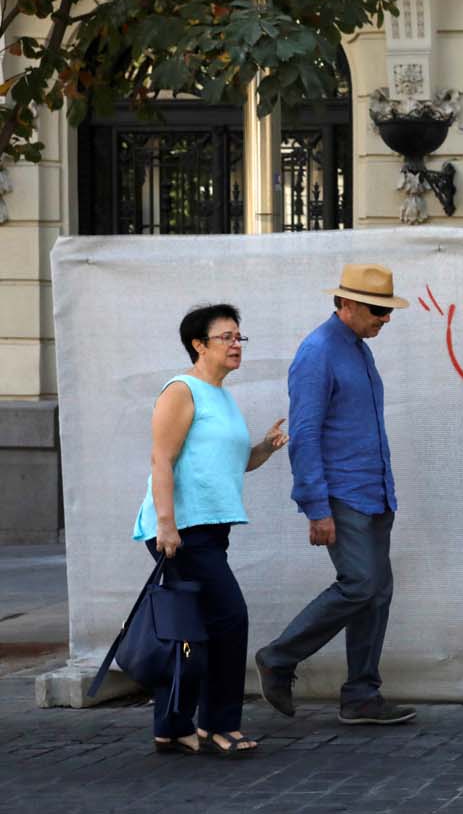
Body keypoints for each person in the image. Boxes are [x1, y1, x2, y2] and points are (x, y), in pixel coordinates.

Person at [255, 264, 415, 725]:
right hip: (342, 493)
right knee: (361, 584)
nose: (385, 318)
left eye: (388, 310)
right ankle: (279, 658)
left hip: (374, 492)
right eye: (377, 309)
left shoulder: (359, 350)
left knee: (377, 592)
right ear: (345, 304)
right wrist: (315, 506)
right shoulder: (318, 352)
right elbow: (304, 434)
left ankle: (362, 695)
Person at [133, 303, 288, 756]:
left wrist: (266, 447)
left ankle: (172, 726)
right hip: (182, 530)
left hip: (209, 529)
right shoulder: (182, 390)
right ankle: (219, 725)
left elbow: (236, 464)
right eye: (226, 337)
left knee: (189, 630)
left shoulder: (220, 394)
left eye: (240, 337)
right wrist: (166, 524)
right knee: (229, 619)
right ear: (199, 345)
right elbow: (161, 459)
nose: (236, 345)